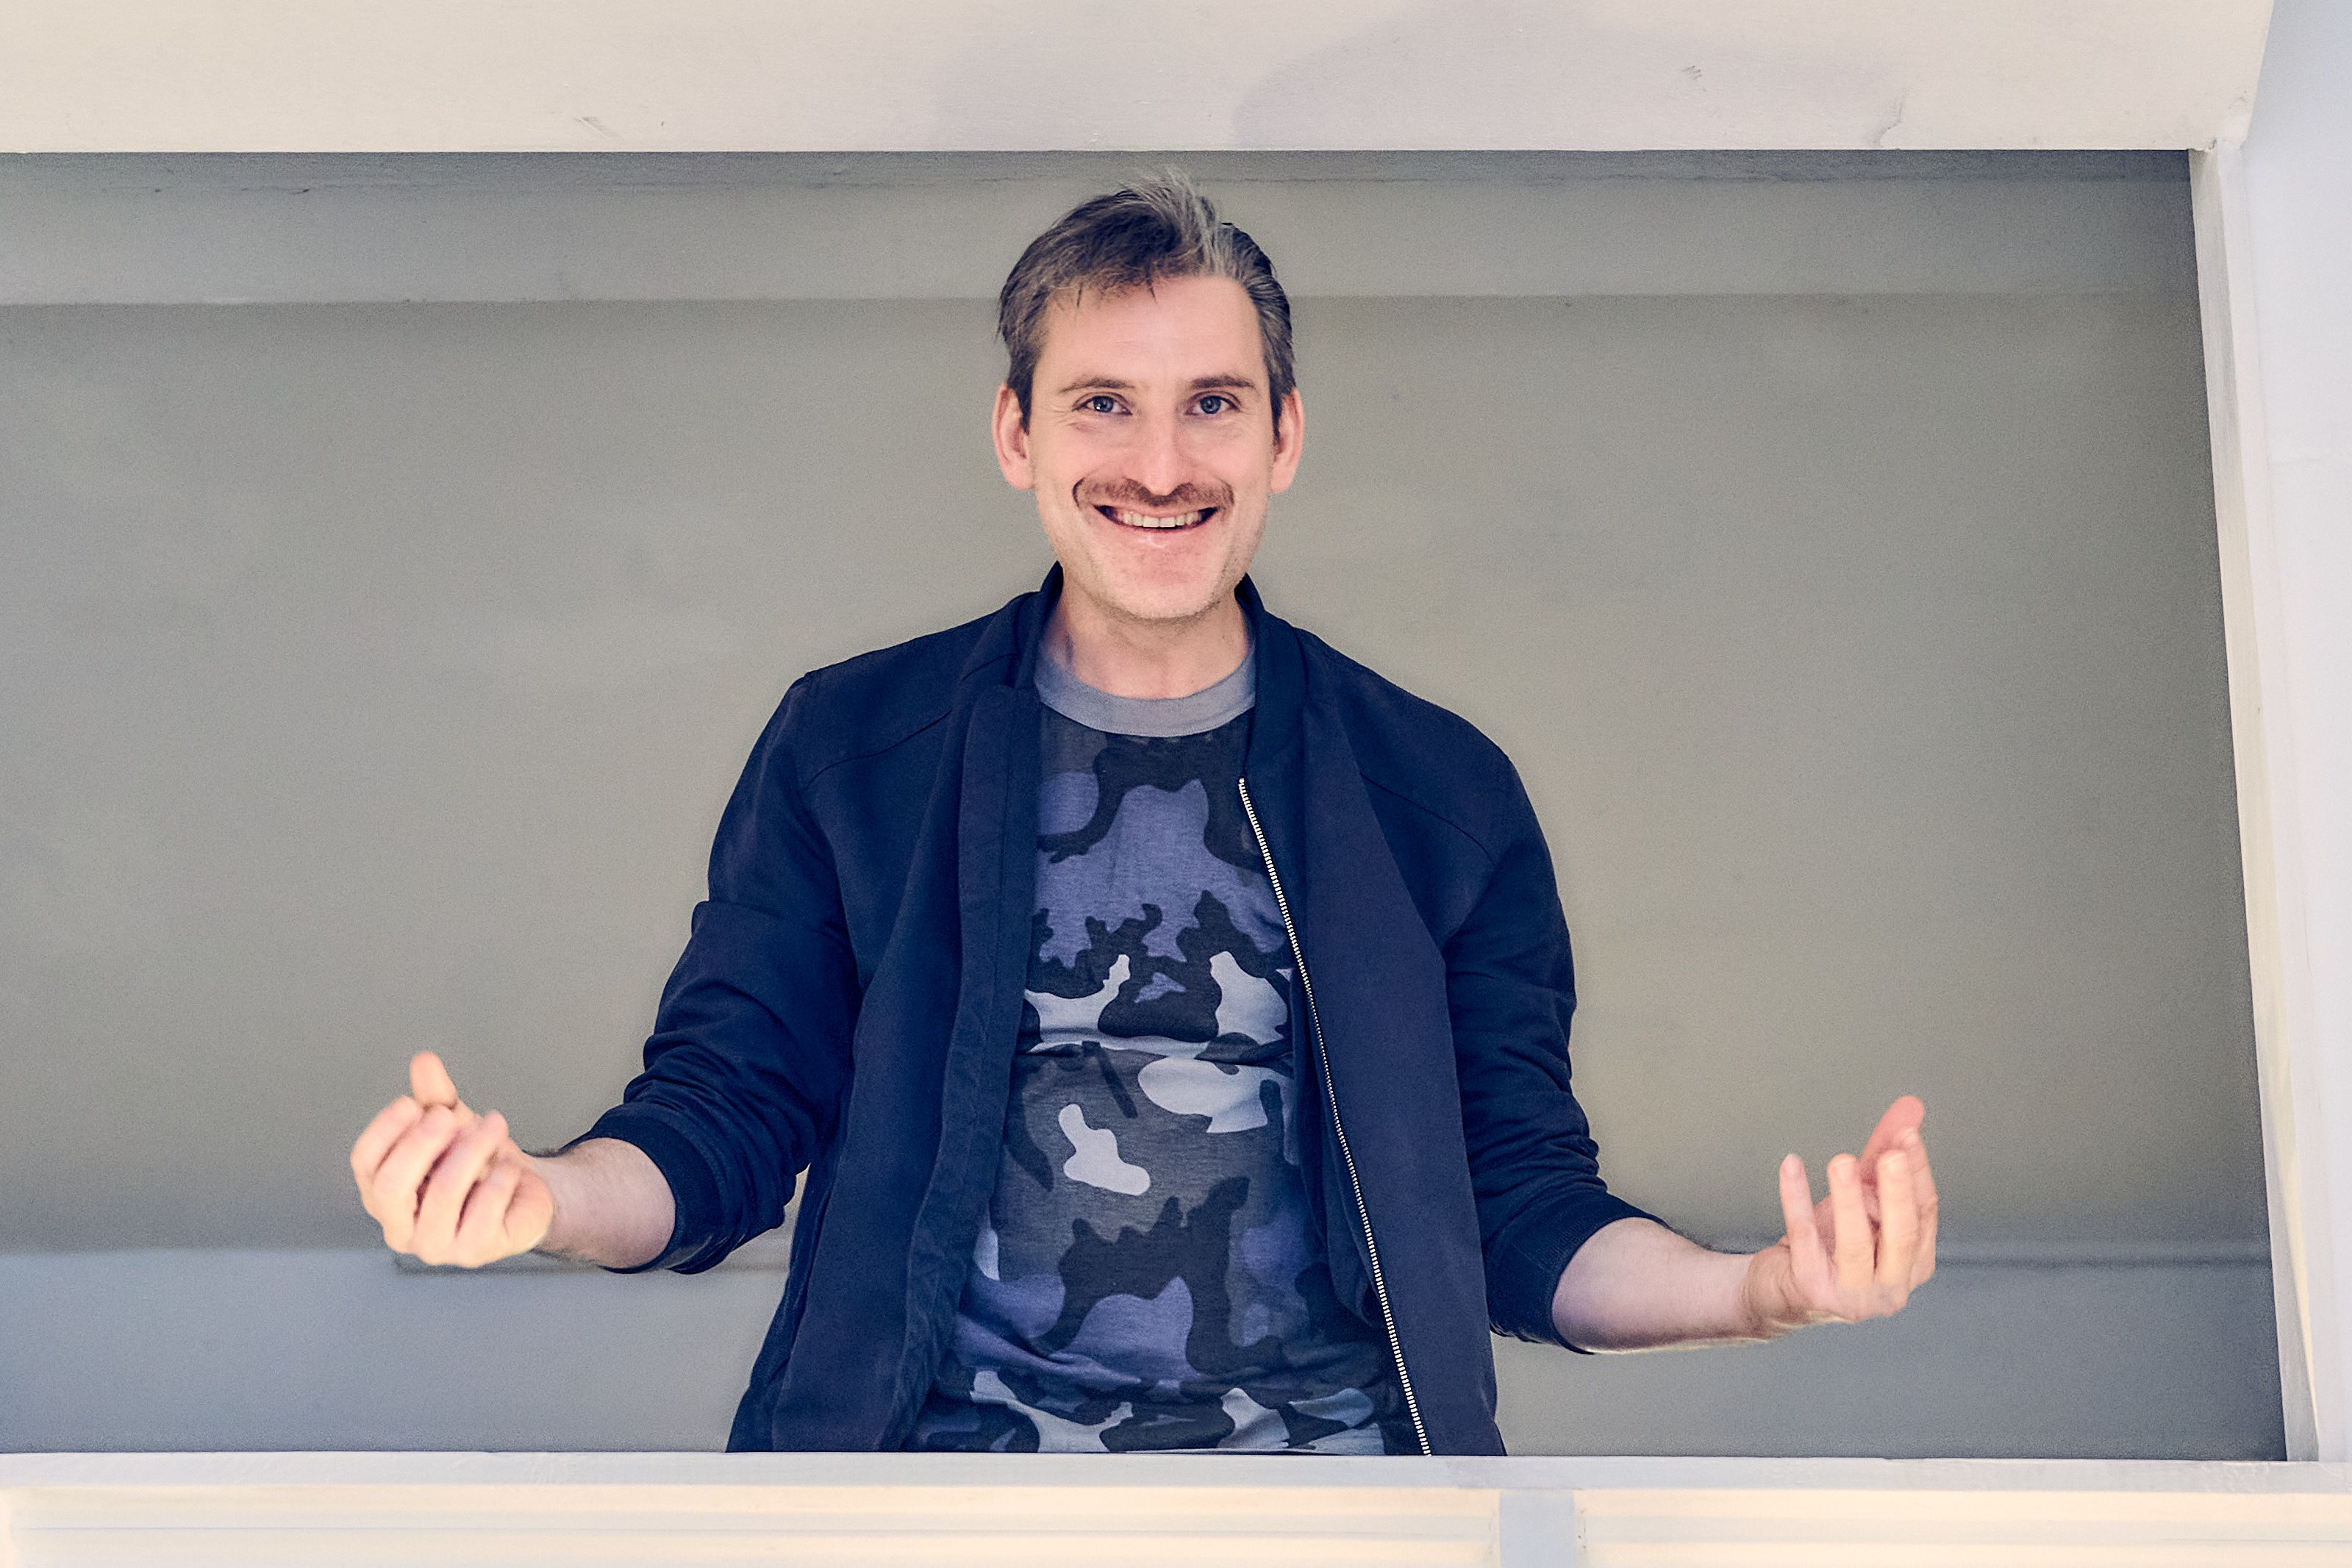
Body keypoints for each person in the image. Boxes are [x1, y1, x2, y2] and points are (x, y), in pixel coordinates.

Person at [349, 172, 1937, 1456]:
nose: (1161, 464)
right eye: (1103, 402)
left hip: (1336, 1506)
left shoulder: (1438, 794)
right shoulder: (854, 749)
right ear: (1017, 435)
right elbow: (723, 1117)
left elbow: (1517, 1204)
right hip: (926, 1500)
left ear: (1284, 435)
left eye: (1212, 404)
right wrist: (539, 1197)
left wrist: (1762, 1290)